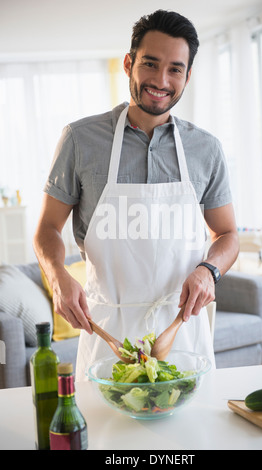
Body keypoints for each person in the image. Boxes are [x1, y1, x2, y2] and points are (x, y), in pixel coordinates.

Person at [33, 10, 239, 380]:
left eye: (175, 69)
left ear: (187, 76)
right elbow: (47, 227)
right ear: (129, 63)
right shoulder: (80, 140)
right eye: (150, 64)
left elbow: (228, 235)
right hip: (107, 331)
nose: (161, 80)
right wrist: (57, 276)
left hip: (182, 331)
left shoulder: (206, 149)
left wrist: (209, 271)